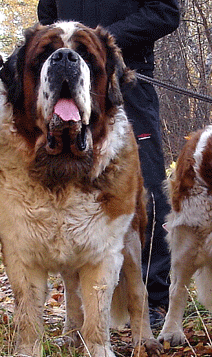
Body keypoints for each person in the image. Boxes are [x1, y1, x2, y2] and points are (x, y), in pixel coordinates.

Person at [37, 0, 180, 328]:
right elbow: (48, 15)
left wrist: (101, 42)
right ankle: (85, 302)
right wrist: (72, 47)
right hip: (67, 83)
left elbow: (165, 13)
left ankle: (153, 297)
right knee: (73, 195)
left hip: (129, 80)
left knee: (148, 187)